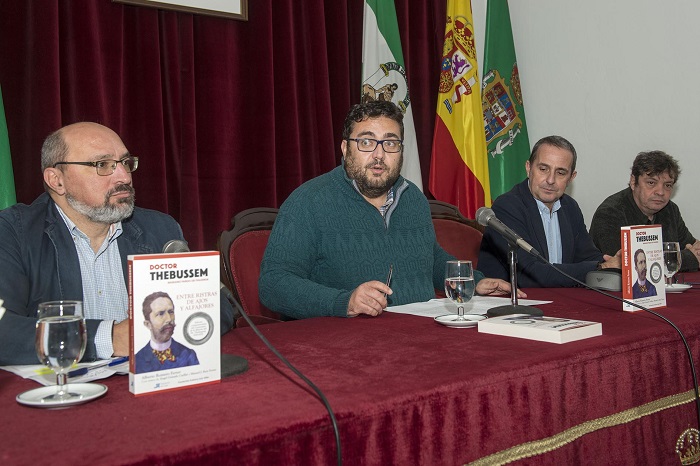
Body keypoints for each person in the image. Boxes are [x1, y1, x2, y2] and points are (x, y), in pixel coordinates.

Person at [258, 101, 521, 320]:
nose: (379, 154)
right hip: (342, 349)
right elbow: (274, 284)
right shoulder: (309, 201)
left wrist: (474, 282)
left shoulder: (413, 198)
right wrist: (345, 301)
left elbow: (429, 259)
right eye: (366, 142)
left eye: (390, 143)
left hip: (420, 339)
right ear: (345, 148)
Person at [0, 122, 234, 365]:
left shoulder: (159, 229)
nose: (123, 176)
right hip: (61, 392)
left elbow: (218, 308)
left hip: (150, 382)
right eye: (102, 165)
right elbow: (5, 330)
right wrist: (108, 338)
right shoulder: (15, 232)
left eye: (125, 162)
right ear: (56, 180)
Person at [478, 135, 620, 288]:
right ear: (528, 167)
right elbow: (529, 274)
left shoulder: (570, 207)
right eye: (543, 169)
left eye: (560, 172)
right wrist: (599, 267)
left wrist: (613, 263)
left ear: (571, 177)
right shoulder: (507, 206)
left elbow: (587, 256)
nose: (550, 180)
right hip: (512, 303)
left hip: (559, 301)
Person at [590, 151, 699, 272]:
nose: (661, 192)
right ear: (633, 182)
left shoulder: (670, 210)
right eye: (651, 183)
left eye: (667, 185)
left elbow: (693, 246)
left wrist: (694, 253)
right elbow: (629, 264)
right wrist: (689, 258)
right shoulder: (609, 213)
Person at [134, 291, 199, 373]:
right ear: (148, 324)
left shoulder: (188, 355)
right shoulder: (137, 360)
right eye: (161, 314)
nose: (169, 319)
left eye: (171, 312)